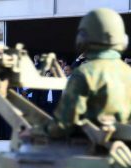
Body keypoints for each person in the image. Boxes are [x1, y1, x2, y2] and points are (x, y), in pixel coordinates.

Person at [47, 8, 131, 137]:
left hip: (92, 150)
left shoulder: (85, 73)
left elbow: (63, 124)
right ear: (123, 40)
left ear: (83, 39)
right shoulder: (128, 72)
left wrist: (39, 130)